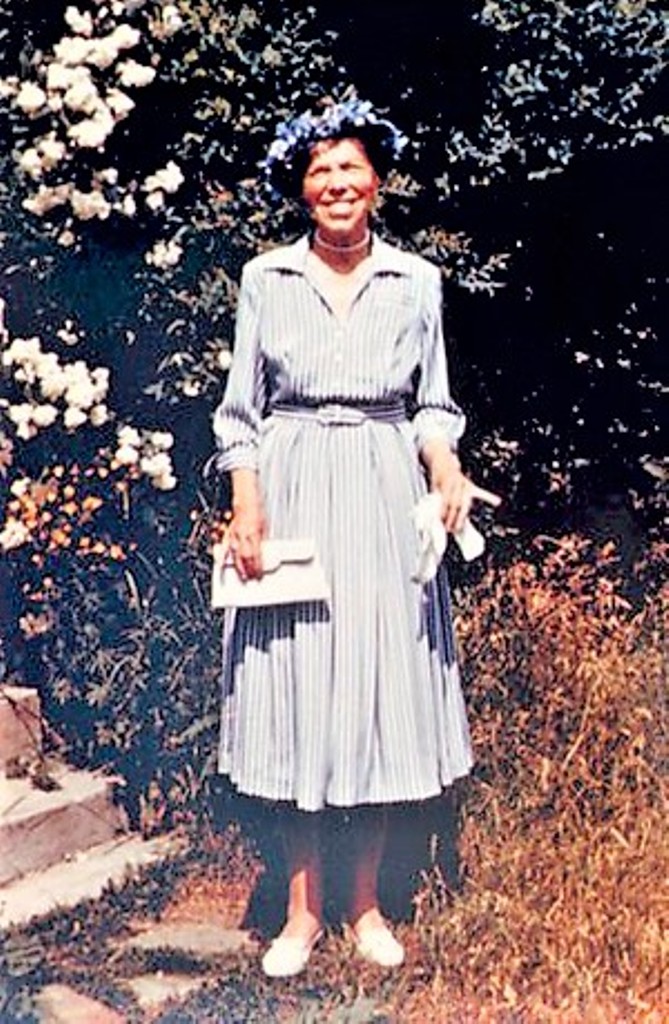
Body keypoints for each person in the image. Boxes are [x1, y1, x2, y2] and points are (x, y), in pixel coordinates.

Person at [211, 97, 500, 978]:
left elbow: (431, 406)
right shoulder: (267, 278)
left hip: (380, 489)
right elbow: (241, 411)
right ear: (301, 188)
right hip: (294, 485)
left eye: (350, 168)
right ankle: (300, 913)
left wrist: (444, 472)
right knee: (299, 688)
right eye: (320, 170)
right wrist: (247, 506)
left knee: (375, 684)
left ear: (376, 183)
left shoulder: (415, 281)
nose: (336, 183)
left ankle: (365, 903)